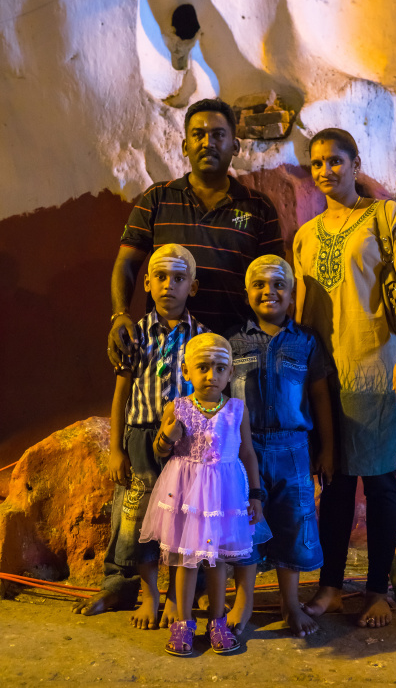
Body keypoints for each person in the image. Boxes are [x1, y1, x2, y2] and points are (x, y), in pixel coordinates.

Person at [293, 128, 396, 628]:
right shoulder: (305, 235)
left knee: (379, 480)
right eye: (318, 163)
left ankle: (376, 592)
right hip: (326, 375)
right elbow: (304, 308)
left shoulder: (386, 217)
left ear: (356, 164)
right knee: (336, 482)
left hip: (376, 365)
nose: (326, 170)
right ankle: (330, 586)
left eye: (335, 161)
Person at [73, 244, 209, 625]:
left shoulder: (202, 339)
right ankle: (133, 589)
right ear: (146, 283)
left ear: (192, 288)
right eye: (161, 278)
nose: (169, 286)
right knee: (135, 516)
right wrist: (116, 448)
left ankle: (179, 595)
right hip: (140, 438)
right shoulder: (134, 336)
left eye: (179, 278)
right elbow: (121, 392)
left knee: (184, 517)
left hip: (187, 441)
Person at [108, 96, 284, 372]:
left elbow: (274, 279)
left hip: (235, 354)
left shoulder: (259, 207)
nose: (207, 143)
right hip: (165, 352)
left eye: (218, 135)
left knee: (234, 417)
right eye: (198, 135)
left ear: (235, 146)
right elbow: (126, 263)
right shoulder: (157, 199)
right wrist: (120, 315)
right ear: (185, 146)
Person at [139, 333, 268, 656]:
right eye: (203, 367)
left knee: (218, 561)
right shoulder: (179, 406)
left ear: (231, 374)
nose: (212, 375)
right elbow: (160, 450)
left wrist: (255, 494)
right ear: (186, 371)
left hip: (225, 496)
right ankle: (182, 622)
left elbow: (248, 453)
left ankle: (217, 621)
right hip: (187, 494)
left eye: (220, 368)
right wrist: (168, 437)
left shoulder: (237, 409)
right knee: (186, 560)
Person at [225, 255, 334, 637]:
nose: (268, 291)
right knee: (246, 524)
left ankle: (290, 603)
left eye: (278, 285)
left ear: (291, 297)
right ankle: (245, 600)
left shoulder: (306, 342)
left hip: (294, 450)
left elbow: (320, 396)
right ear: (246, 294)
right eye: (259, 284)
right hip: (244, 450)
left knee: (293, 522)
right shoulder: (233, 342)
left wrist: (328, 448)